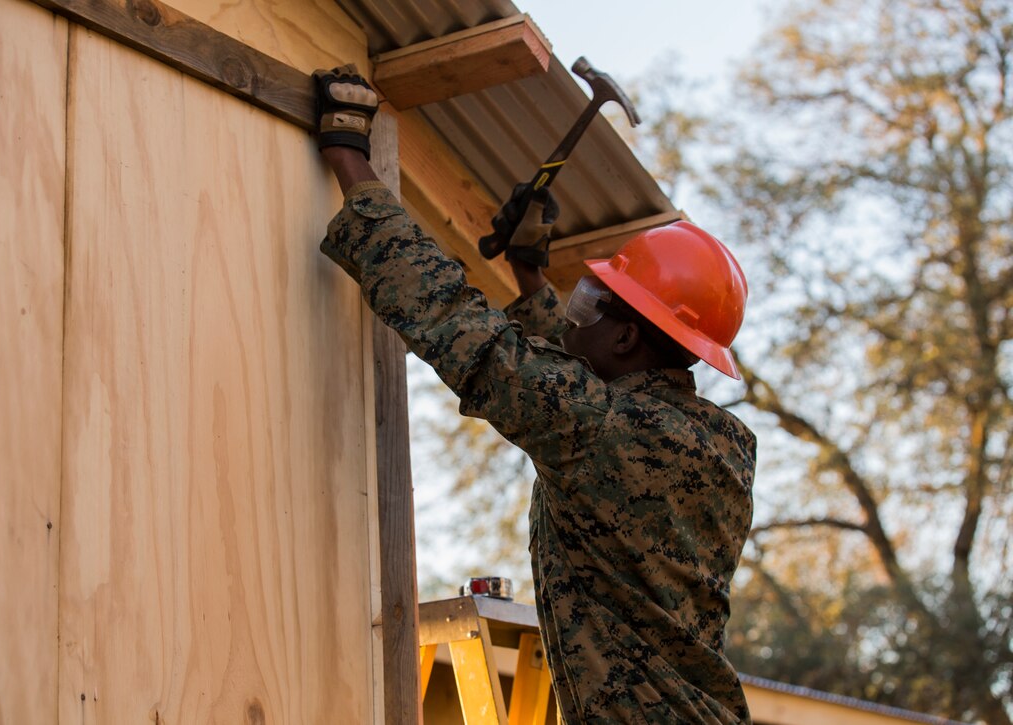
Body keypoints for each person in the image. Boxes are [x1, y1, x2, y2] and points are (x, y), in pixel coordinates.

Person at [313, 66, 757, 724]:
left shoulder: (600, 429)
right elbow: (576, 386)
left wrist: (354, 164)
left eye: (590, 304)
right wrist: (530, 275)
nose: (574, 317)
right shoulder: (711, 445)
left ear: (630, 338)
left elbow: (462, 329)